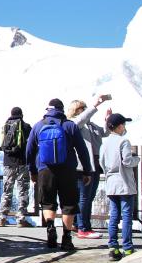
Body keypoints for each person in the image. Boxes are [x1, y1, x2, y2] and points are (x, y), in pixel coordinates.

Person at [25, 98, 93, 251]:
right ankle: (67, 238)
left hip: (45, 170)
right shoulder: (70, 126)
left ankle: (50, 230)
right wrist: (87, 171)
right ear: (62, 110)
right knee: (68, 204)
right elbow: (82, 150)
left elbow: (29, 151)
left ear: (47, 110)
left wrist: (32, 171)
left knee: (48, 202)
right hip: (68, 170)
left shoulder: (38, 126)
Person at [99, 113, 139, 260]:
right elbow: (127, 161)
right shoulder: (124, 141)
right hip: (124, 182)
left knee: (114, 215)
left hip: (111, 183)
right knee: (127, 216)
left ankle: (113, 247)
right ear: (120, 126)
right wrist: (137, 159)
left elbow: (102, 162)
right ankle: (128, 248)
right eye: (124, 125)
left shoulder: (105, 142)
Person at [71, 95, 110, 239]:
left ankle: (77, 223)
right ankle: (84, 228)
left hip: (94, 165)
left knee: (88, 197)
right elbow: (79, 121)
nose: (86, 111)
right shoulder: (74, 124)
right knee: (84, 198)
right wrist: (96, 106)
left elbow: (104, 132)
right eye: (82, 109)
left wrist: (107, 120)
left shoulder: (91, 125)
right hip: (83, 167)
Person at [0, 107, 35, 227]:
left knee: (6, 191)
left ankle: (2, 218)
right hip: (22, 163)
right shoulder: (26, 126)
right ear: (21, 115)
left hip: (8, 163)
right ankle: (21, 219)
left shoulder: (5, 126)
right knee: (22, 190)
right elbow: (32, 143)